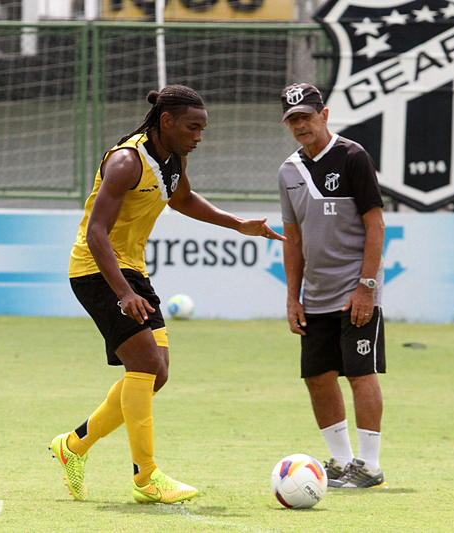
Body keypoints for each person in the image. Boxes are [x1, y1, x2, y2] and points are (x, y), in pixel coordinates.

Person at [51, 84, 285, 504]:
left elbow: (183, 199)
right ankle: (146, 478)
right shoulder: (126, 162)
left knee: (155, 373)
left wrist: (238, 224)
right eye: (193, 128)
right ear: (167, 121)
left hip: (131, 269)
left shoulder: (171, 160)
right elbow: (95, 233)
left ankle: (73, 445)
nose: (199, 137)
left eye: (203, 129)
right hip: (95, 269)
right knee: (143, 364)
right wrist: (123, 294)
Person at [278, 83, 388, 489]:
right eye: (292, 119)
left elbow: (375, 225)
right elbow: (293, 238)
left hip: (354, 293)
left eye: (306, 116)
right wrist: (293, 297)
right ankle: (341, 463)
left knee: (360, 375)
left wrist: (366, 287)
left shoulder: (353, 157)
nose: (300, 125)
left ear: (324, 115)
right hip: (315, 296)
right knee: (318, 376)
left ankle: (370, 466)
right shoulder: (288, 171)